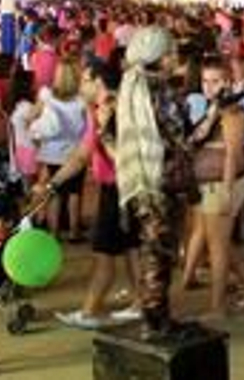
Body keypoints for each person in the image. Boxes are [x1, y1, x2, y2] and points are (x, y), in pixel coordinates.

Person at [47, 61, 146, 329]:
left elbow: (95, 155)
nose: (81, 85)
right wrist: (54, 181)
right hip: (120, 187)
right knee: (131, 248)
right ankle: (140, 302)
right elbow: (82, 154)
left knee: (104, 251)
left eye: (85, 80)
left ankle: (91, 311)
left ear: (99, 82)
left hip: (120, 188)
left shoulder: (112, 112)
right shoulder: (103, 110)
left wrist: (52, 183)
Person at [114, 27, 197, 337]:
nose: (175, 57)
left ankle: (154, 318)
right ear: (159, 57)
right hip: (162, 182)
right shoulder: (160, 92)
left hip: (140, 180)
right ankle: (156, 321)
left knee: (153, 252)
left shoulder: (131, 86)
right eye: (171, 52)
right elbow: (181, 139)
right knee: (160, 257)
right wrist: (213, 114)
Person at [180, 58, 244, 318]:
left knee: (218, 246)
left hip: (222, 185)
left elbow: (233, 155)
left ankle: (218, 307)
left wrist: (226, 191)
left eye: (215, 81)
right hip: (210, 183)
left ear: (227, 81)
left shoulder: (232, 111)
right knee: (221, 242)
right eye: (205, 80)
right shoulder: (215, 108)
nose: (209, 86)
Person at [31, 58, 88, 241]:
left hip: (51, 151)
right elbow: (88, 124)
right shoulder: (82, 98)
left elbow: (35, 115)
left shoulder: (46, 94)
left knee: (54, 192)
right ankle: (74, 231)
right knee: (75, 192)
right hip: (75, 151)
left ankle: (54, 231)